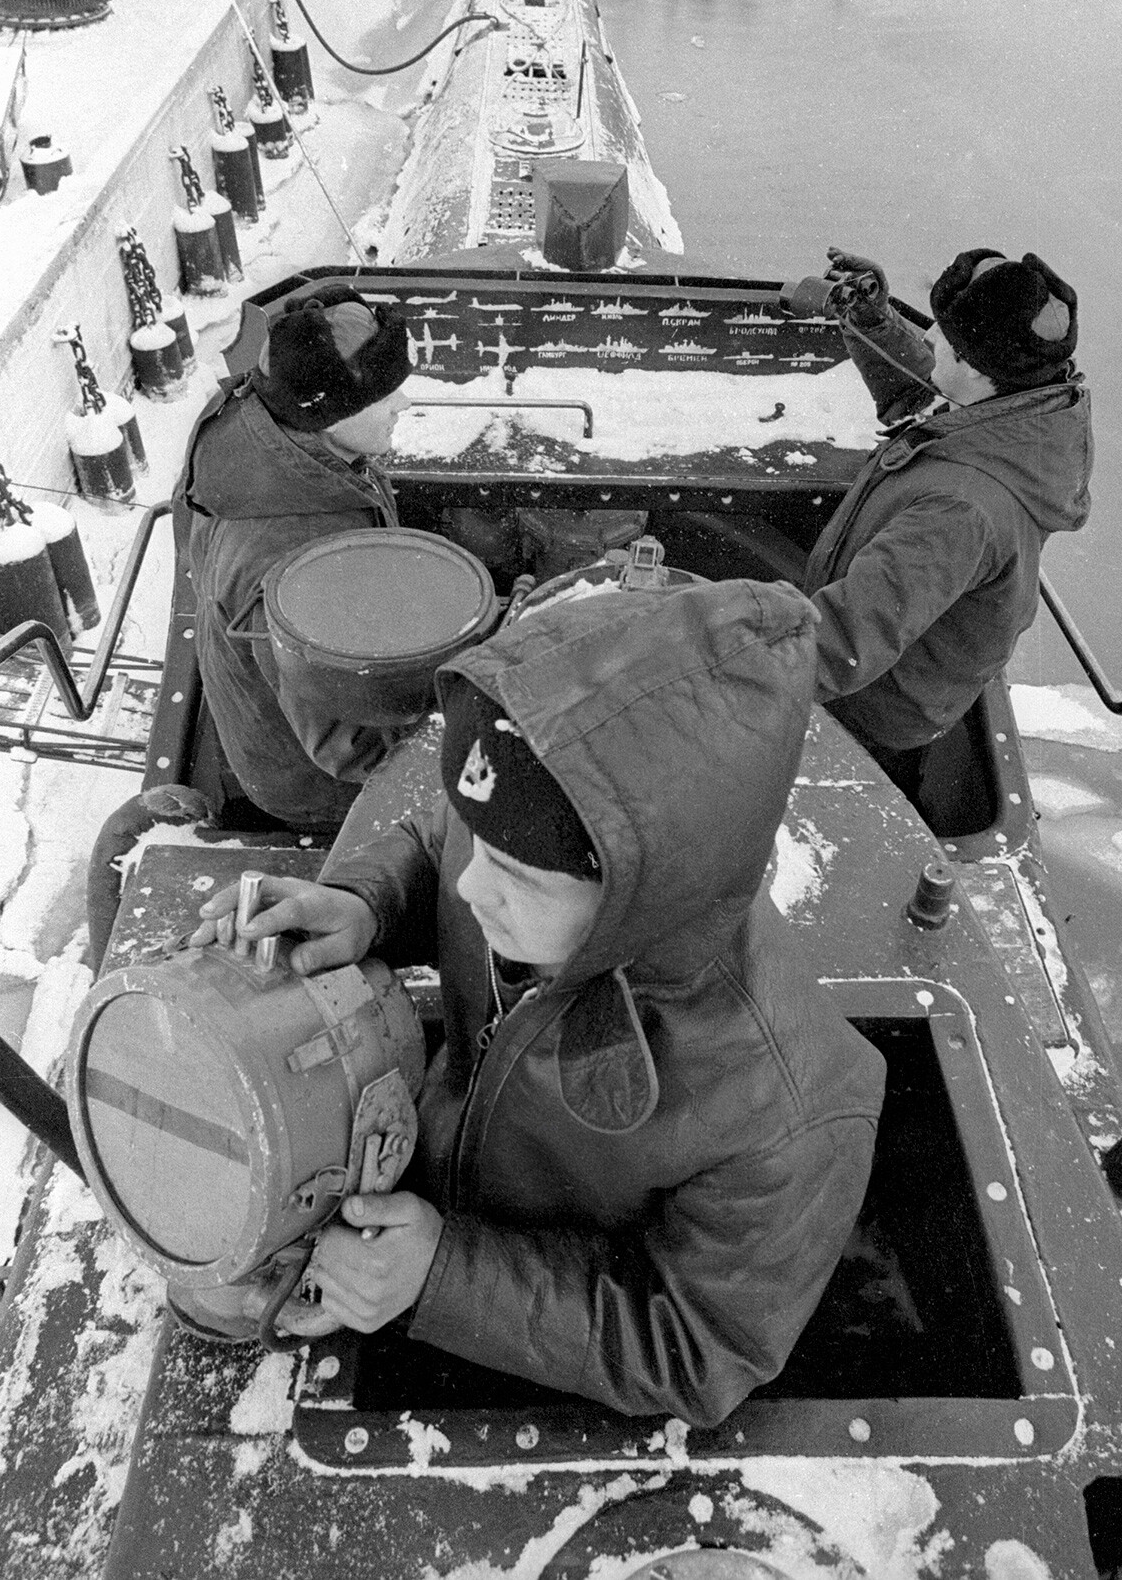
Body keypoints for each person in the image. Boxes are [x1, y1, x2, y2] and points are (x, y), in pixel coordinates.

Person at [193, 579, 886, 1427]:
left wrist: (441, 1278)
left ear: (641, 893)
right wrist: (369, 901)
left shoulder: (790, 1106)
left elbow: (698, 1349)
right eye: (475, 839)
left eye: (517, 875)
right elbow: (441, 849)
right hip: (431, 1184)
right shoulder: (520, 857)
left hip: (535, 1342)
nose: (473, 884)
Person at [802, 246, 1093, 804]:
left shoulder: (958, 512)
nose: (930, 338)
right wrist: (871, 321)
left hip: (870, 708)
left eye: (946, 341)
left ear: (981, 372)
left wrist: (717, 675)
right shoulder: (1023, 413)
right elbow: (926, 398)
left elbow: (846, 642)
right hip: (893, 663)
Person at [176, 284, 413, 833]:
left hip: (281, 721)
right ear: (329, 413)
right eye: (385, 395)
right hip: (320, 788)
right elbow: (350, 748)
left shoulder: (257, 445)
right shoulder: (300, 565)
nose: (404, 403)